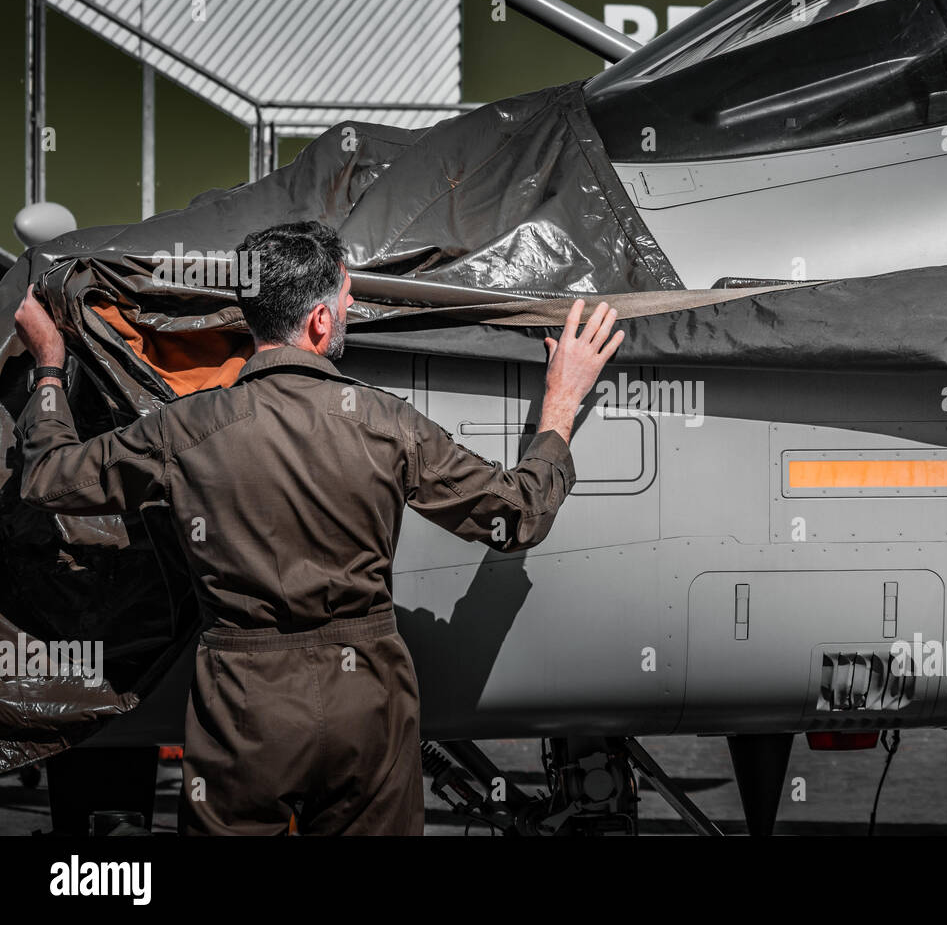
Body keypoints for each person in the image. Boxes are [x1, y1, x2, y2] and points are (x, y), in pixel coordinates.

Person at [12, 220, 623, 834]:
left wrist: (49, 367)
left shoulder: (184, 429)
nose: (353, 304)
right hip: (369, 699)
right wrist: (561, 401)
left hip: (241, 705)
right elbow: (517, 517)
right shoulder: (387, 424)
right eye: (346, 296)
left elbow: (49, 480)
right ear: (320, 322)